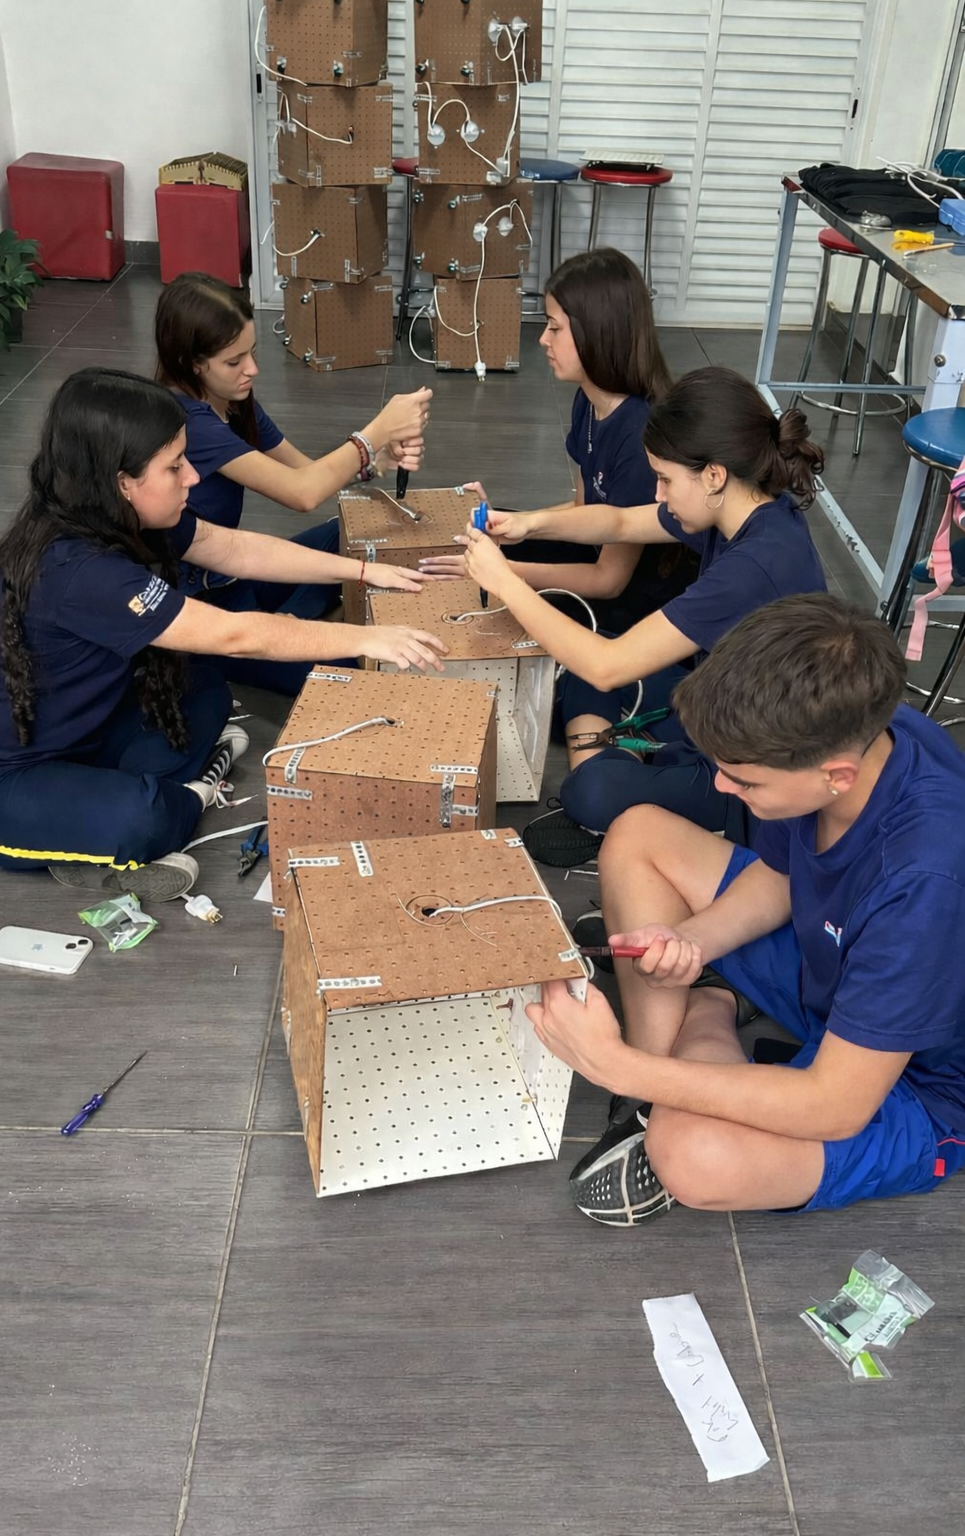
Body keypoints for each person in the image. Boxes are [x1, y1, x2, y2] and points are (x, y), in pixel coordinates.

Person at [524, 594, 965, 1226]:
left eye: (746, 781)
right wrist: (694, 941)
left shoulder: (925, 880)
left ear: (836, 775)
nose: (723, 788)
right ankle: (660, 1081)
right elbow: (782, 876)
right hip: (830, 967)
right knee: (638, 832)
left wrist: (617, 1064)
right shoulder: (857, 729)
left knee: (695, 1157)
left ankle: (691, 1035)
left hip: (916, 1082)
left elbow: (835, 1106)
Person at [0, 368, 446, 902]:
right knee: (147, 818)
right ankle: (180, 801)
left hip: (78, 733)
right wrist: (367, 639)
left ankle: (99, 819)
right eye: (175, 466)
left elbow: (234, 549)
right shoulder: (79, 570)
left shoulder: (121, 516)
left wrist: (362, 571)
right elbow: (235, 636)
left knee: (203, 689)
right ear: (122, 482)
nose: (194, 478)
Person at [443, 367, 827, 847]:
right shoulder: (743, 507)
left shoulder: (755, 565)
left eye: (664, 479)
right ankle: (625, 760)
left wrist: (505, 579)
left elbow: (608, 668)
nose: (658, 494)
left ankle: (621, 773)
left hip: (750, 769)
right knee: (584, 661)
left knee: (589, 787)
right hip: (718, 705)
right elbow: (622, 523)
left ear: (713, 475)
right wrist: (530, 524)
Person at [154, 270, 433, 694]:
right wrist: (376, 431)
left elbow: (305, 473)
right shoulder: (188, 423)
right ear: (192, 363)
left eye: (251, 353)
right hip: (207, 611)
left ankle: (292, 621)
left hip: (234, 574)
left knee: (345, 533)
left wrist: (375, 462)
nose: (252, 369)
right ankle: (287, 628)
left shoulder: (231, 399)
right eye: (234, 361)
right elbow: (302, 494)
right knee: (359, 668)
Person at [429, 247, 697, 632]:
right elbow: (584, 508)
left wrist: (507, 573)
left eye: (554, 328)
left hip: (635, 605)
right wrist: (517, 523)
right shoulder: (589, 399)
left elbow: (608, 581)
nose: (542, 339)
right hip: (593, 553)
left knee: (491, 595)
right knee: (483, 536)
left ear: (597, 333)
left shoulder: (640, 434)